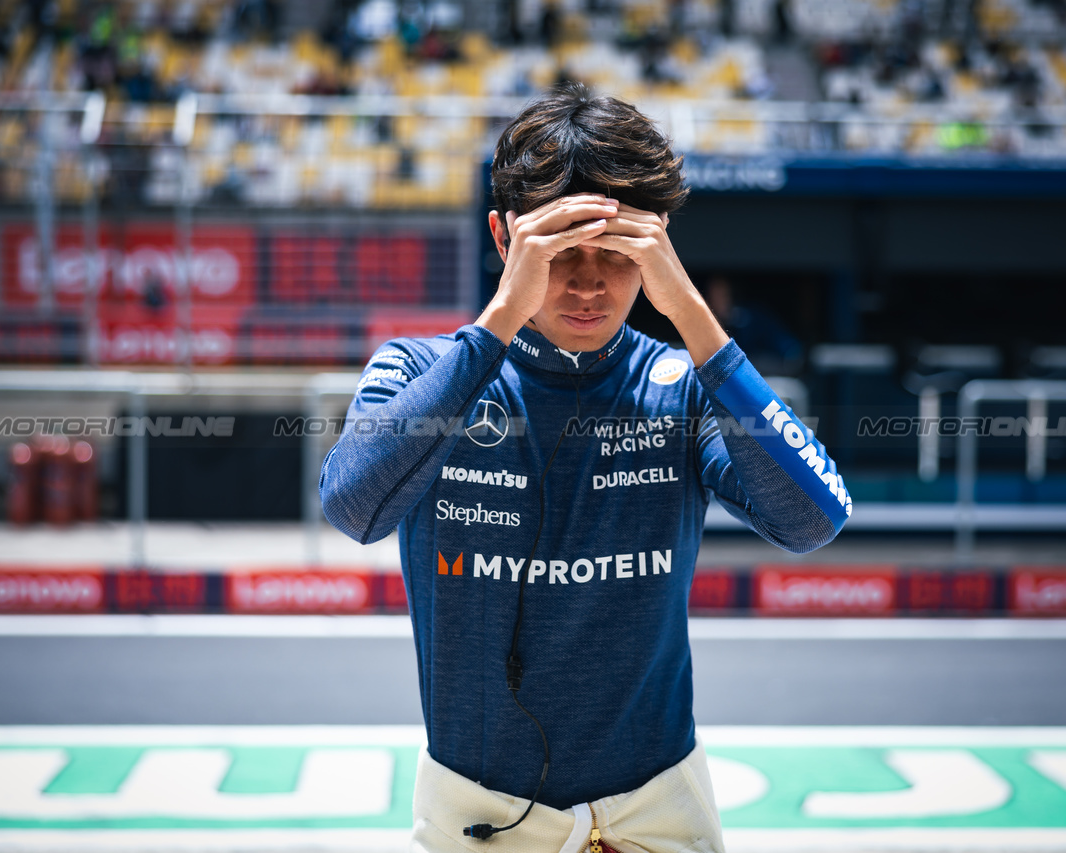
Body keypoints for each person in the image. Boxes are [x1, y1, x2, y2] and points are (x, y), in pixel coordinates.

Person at [321, 82, 851, 853]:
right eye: (562, 250)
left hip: (660, 812)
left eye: (618, 253)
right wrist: (497, 322)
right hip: (478, 815)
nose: (590, 283)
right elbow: (353, 508)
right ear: (505, 239)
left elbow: (814, 519)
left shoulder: (682, 382)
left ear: (658, 242)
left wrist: (692, 316)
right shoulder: (418, 368)